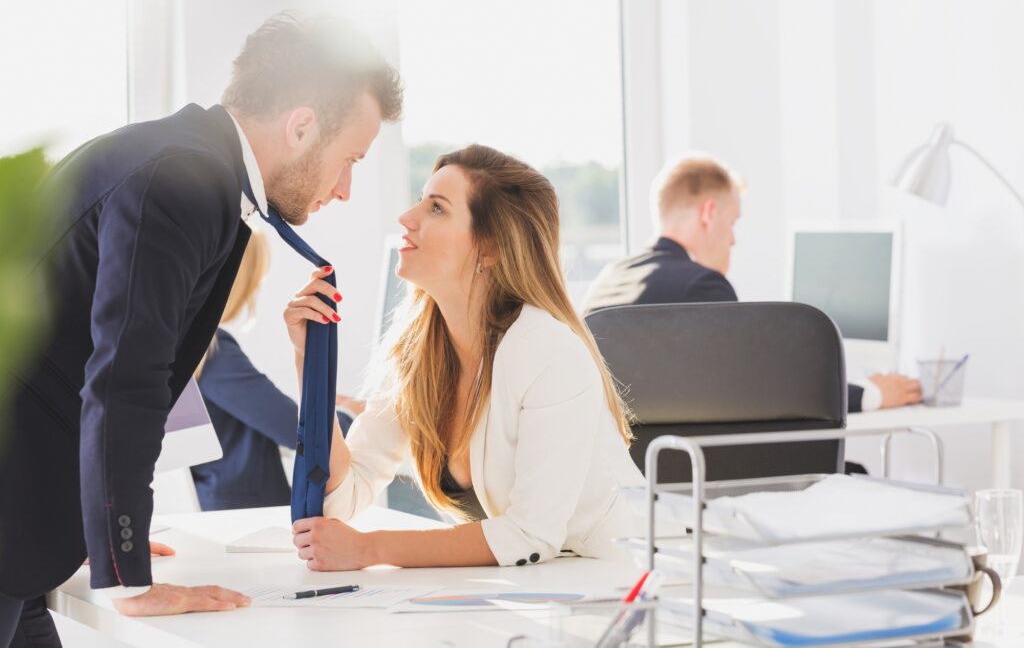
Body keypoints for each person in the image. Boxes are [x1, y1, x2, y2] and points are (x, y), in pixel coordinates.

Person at [0, 12, 401, 644]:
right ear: (301, 127)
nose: (346, 188)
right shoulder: (182, 180)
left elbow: (66, 360)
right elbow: (124, 379)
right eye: (349, 158)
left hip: (24, 533)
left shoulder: (177, 160)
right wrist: (126, 574)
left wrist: (98, 533)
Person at [285, 144, 645, 571]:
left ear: (489, 248)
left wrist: (371, 548)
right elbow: (343, 497)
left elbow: (530, 535)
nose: (407, 218)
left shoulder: (546, 350)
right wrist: (311, 362)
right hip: (541, 587)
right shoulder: (417, 352)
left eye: (436, 208)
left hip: (625, 579)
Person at [582, 153, 922, 413]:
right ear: (708, 213)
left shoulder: (608, 279)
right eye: (733, 223)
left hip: (633, 477)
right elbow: (766, 384)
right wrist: (871, 395)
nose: (733, 241)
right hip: (700, 474)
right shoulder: (701, 286)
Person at [190, 232, 361, 511]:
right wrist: (352, 416)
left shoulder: (194, 347)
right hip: (246, 513)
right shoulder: (214, 352)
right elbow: (292, 429)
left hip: (222, 502)